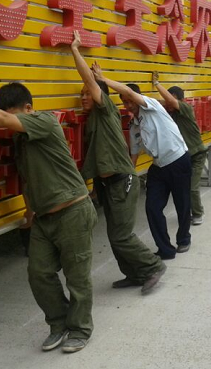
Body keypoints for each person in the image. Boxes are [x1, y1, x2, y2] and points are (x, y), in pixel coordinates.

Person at [0, 72, 96, 354]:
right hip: (44, 217)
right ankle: (59, 323)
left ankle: (80, 329)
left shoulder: (45, 121)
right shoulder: (21, 140)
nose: (10, 125)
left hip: (73, 210)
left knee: (77, 277)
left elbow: (3, 120)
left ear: (28, 108)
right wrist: (29, 211)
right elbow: (26, 178)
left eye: (13, 116)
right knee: (38, 273)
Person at [69, 31, 166, 294]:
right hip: (108, 185)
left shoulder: (106, 110)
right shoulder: (93, 119)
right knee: (114, 237)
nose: (83, 97)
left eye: (87, 93)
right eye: (81, 95)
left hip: (122, 182)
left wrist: (75, 50)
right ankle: (134, 274)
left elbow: (90, 82)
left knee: (122, 236)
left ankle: (153, 266)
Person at [91, 63, 192, 261]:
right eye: (124, 102)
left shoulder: (151, 106)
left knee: (182, 204)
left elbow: (129, 91)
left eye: (130, 101)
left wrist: (102, 80)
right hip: (158, 167)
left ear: (137, 98)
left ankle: (184, 239)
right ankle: (165, 249)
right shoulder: (134, 125)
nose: (128, 105)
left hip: (178, 160)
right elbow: (134, 156)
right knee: (152, 207)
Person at [152, 71, 207, 226]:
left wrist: (156, 84)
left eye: (172, 100)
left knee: (192, 187)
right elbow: (160, 102)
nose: (168, 103)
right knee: (182, 188)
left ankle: (198, 213)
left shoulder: (186, 109)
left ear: (181, 100)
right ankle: (187, 213)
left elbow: (169, 101)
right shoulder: (171, 114)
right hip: (184, 158)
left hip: (197, 155)